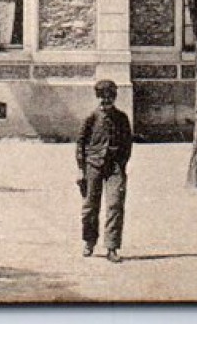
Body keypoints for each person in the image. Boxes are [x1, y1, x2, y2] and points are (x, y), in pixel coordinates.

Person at [75, 79, 132, 262]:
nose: (105, 101)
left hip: (115, 167)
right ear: (97, 97)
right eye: (102, 97)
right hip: (93, 165)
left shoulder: (122, 118)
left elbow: (127, 144)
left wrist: (121, 165)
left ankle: (112, 247)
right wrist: (81, 169)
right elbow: (80, 144)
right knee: (90, 206)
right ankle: (89, 241)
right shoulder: (91, 118)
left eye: (109, 97)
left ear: (114, 98)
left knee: (115, 204)